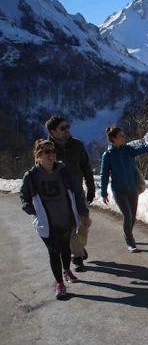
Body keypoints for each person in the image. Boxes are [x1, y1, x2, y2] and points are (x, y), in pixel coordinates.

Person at [20, 140, 91, 300]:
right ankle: (60, 283)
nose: (51, 154)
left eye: (53, 151)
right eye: (47, 152)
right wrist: (31, 210)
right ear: (38, 155)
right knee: (53, 252)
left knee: (65, 248)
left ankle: (67, 270)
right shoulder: (31, 176)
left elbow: (77, 192)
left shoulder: (62, 171)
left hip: (66, 219)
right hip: (47, 223)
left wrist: (83, 213)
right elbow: (24, 197)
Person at [99, 126, 148, 252]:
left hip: (132, 188)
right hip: (119, 190)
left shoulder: (128, 150)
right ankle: (130, 241)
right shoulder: (108, 155)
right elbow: (104, 174)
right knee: (127, 215)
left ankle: (128, 234)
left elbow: (144, 149)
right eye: (121, 136)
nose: (124, 137)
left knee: (132, 216)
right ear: (113, 139)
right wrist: (103, 192)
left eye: (123, 135)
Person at [45, 115, 95, 272]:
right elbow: (41, 171)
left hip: (78, 192)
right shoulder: (46, 149)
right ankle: (78, 257)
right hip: (60, 197)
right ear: (53, 131)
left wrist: (91, 188)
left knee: (85, 222)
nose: (67, 130)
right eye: (62, 128)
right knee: (70, 228)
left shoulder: (77, 145)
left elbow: (86, 168)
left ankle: (78, 247)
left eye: (67, 126)